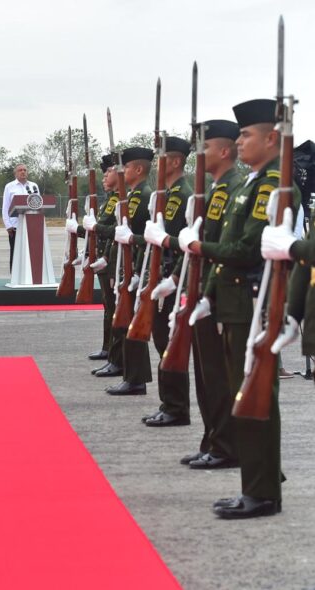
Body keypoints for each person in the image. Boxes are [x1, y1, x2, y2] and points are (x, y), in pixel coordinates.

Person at [180, 99, 300, 518]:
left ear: (271, 138)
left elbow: (246, 247)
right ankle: (256, 483)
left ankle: (263, 491)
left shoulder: (272, 185)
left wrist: (197, 246)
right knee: (243, 395)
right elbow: (228, 249)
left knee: (256, 395)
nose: (240, 140)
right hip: (232, 302)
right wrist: (209, 294)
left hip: (252, 301)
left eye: (246, 134)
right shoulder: (250, 184)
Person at [149, 121, 243, 465]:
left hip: (221, 295)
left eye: (205, 148)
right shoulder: (216, 189)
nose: (199, 155)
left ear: (222, 151)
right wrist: (177, 278)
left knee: (217, 377)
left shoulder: (233, 189)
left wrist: (180, 246)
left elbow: (225, 246)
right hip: (202, 289)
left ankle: (224, 446)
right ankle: (212, 441)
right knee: (207, 377)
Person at [134, 136, 191, 426]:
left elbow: (184, 239)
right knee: (161, 341)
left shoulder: (182, 194)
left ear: (177, 161)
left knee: (169, 343)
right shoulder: (168, 193)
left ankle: (176, 407)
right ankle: (169, 403)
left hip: (172, 276)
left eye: (163, 158)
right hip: (163, 273)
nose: (157, 163)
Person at [95, 147, 154, 395]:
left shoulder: (142, 196)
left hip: (136, 266)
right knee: (123, 318)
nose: (121, 172)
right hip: (125, 264)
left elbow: (138, 235)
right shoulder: (132, 195)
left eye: (126, 167)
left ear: (138, 169)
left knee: (130, 321)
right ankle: (131, 374)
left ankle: (135, 377)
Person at [66, 155, 120, 368]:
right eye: (104, 173)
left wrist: (79, 229)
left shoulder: (117, 200)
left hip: (110, 261)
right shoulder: (109, 200)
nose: (105, 177)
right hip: (103, 258)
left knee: (113, 308)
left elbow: (103, 230)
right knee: (108, 306)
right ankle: (109, 349)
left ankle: (114, 354)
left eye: (109, 172)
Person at [2, 164, 39, 271]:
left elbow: (40, 204)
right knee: (16, 252)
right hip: (15, 226)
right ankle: (14, 275)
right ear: (15, 173)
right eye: (20, 170)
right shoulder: (9, 186)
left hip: (31, 225)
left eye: (25, 170)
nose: (23, 172)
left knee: (31, 252)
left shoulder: (33, 186)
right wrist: (8, 225)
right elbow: (5, 207)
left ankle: (31, 275)